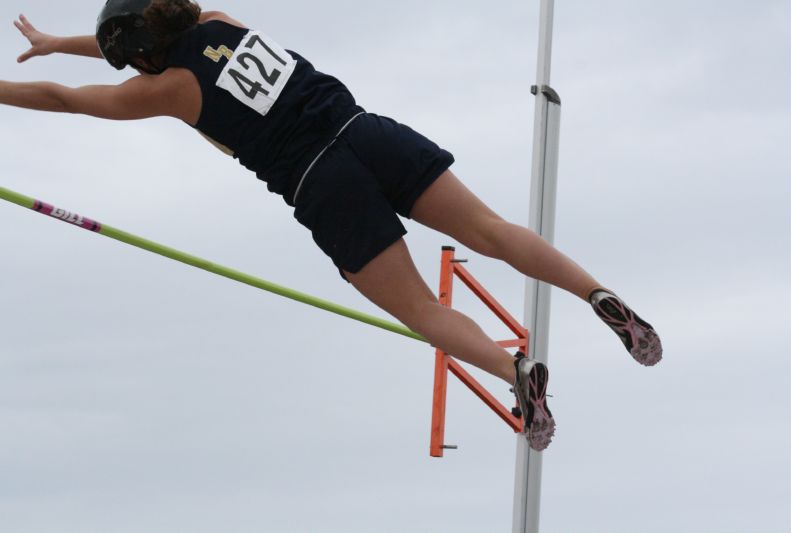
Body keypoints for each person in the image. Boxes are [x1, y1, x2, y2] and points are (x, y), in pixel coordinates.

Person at [3, 0, 662, 451]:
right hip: (366, 132)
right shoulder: (217, 19)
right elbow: (140, 36)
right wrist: (60, 41)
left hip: (321, 182)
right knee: (490, 229)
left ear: (143, 53)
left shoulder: (167, 88)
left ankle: (511, 370)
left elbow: (67, 99)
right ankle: (596, 294)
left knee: (423, 312)